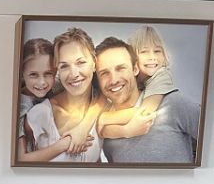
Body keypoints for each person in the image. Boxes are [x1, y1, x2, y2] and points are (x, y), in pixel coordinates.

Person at [95, 36, 200, 164]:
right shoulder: (105, 134)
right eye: (104, 73)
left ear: (135, 69)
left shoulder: (172, 103)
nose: (114, 80)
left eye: (121, 68)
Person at [23, 27, 103, 163]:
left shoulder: (104, 105)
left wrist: (84, 127)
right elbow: (18, 159)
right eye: (64, 66)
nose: (74, 74)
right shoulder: (40, 113)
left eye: (81, 62)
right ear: (57, 69)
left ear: (94, 63)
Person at [98, 26, 176, 141]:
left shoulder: (161, 76)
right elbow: (102, 131)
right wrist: (121, 130)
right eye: (144, 52)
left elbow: (145, 113)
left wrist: (106, 118)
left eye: (157, 51)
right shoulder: (136, 79)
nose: (152, 57)